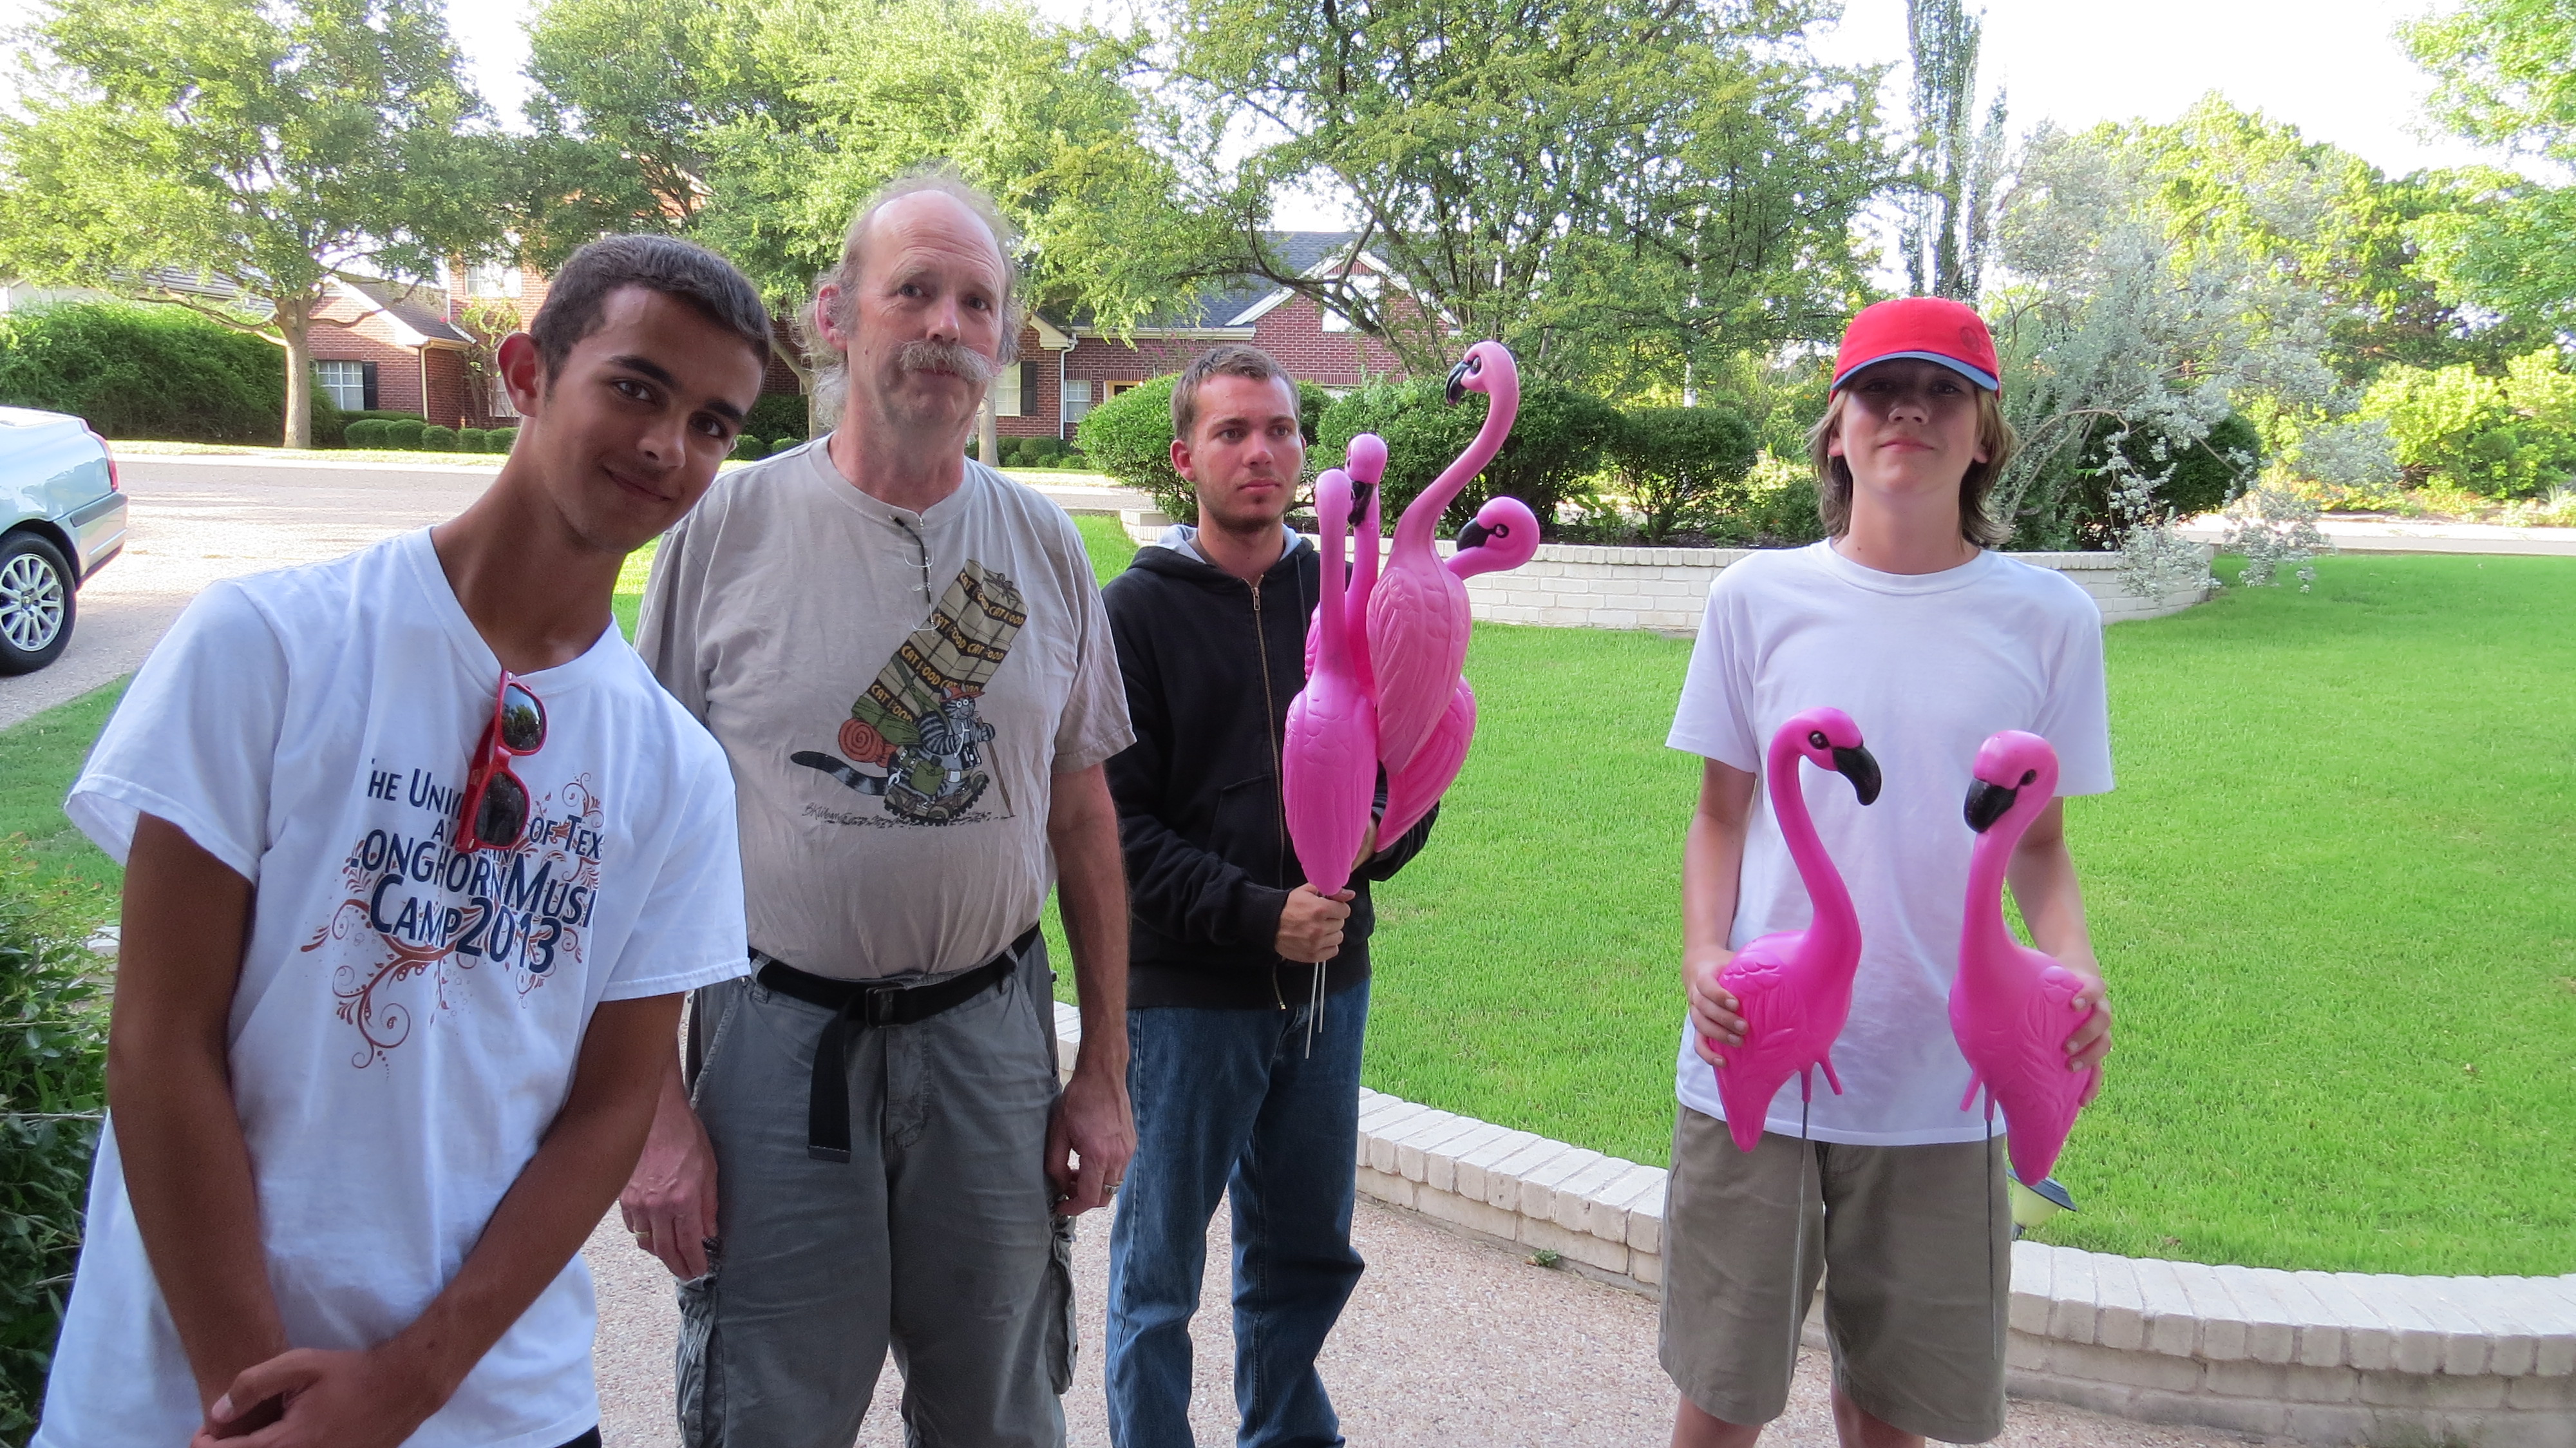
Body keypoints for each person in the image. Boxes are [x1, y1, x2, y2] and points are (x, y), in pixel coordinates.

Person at [32, 234, 772, 1448]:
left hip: (494, 1406)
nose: (665, 446)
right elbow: (160, 1044)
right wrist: (256, 1401)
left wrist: (408, 1385)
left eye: (711, 424)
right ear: (528, 374)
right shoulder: (268, 646)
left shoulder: (678, 774)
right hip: (187, 1397)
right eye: (637, 388)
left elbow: (607, 1112)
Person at [621, 166, 1135, 1448]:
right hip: (775, 1041)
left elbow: (1083, 820)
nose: (948, 326)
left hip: (990, 1046)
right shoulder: (722, 531)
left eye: (978, 301)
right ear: (834, 315)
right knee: (770, 1415)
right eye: (914, 290)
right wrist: (653, 1112)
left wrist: (1102, 1073)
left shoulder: (1045, 547)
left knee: (1001, 1414)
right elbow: (632, 830)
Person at [1663, 296, 2119, 1448]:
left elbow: (2042, 845)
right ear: (1836, 429)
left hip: (1945, 1081)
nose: (1908, 412)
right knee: (1720, 1397)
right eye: (1878, 390)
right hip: (1761, 1059)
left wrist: (2074, 972)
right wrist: (1706, 954)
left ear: (1985, 434)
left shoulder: (2050, 619)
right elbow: (1720, 815)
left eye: (1943, 392)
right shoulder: (1754, 599)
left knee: (1891, 1413)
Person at [1097, 343, 1437, 1448]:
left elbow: (1409, 757)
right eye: (1233, 432)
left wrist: (1389, 832)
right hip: (1189, 995)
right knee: (1159, 1270)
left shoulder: (1352, 591)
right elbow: (1115, 830)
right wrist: (1258, 915)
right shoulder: (1132, 614)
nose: (1261, 453)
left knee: (1304, 1255)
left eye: (1281, 430)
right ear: (1183, 457)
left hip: (1331, 987)